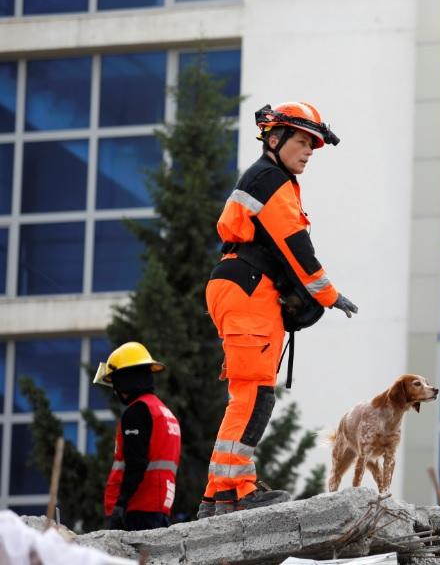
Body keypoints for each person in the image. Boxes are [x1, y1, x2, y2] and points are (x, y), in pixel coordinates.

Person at [197, 102, 359, 518]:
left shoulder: (268, 179)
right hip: (247, 289)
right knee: (254, 396)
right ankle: (240, 490)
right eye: (303, 142)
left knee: (247, 394)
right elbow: (295, 245)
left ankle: (220, 495)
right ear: (275, 139)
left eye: (313, 145)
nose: (308, 151)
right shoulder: (272, 179)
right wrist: (328, 295)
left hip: (243, 286)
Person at [93, 342, 181, 531]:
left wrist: (121, 504)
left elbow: (136, 462)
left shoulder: (137, 412)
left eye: (115, 381)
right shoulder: (164, 413)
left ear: (126, 378)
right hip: (159, 507)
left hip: (137, 510)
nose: (115, 390)